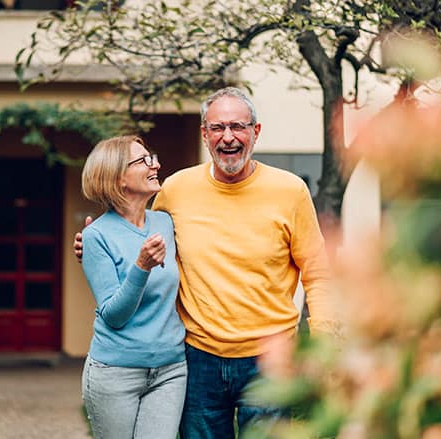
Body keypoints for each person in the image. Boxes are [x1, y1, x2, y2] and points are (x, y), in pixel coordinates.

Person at [75, 88, 337, 438]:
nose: (227, 137)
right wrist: (92, 244)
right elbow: (135, 230)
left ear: (255, 132)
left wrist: (323, 344)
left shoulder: (290, 191)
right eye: (217, 128)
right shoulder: (176, 189)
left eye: (237, 126)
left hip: (271, 359)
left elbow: (317, 274)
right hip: (197, 358)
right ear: (205, 134)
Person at [79, 135, 187, 439]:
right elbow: (113, 315)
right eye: (144, 161)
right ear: (117, 178)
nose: (156, 164)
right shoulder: (96, 236)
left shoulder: (165, 222)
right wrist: (141, 267)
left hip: (170, 369)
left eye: (151, 157)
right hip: (116, 372)